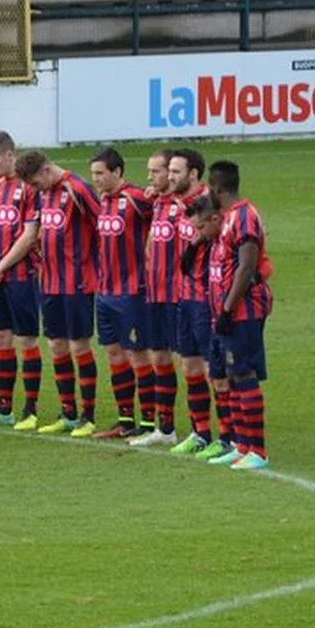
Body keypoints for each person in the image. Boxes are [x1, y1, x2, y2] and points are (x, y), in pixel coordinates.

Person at [191, 161, 274, 470]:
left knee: (243, 375)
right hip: (226, 311)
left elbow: (247, 266)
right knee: (232, 378)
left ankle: (258, 451)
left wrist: (227, 308)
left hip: (243, 311)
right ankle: (242, 446)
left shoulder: (244, 217)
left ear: (216, 188)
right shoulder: (227, 217)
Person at [14, 151, 102, 437]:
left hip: (77, 283)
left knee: (79, 347)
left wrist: (96, 267)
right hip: (49, 282)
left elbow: (103, 227)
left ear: (47, 169)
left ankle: (87, 416)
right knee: (56, 347)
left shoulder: (77, 189)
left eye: (35, 182)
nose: (34, 189)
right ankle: (68, 412)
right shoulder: (43, 193)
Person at [0, 130, 43, 430]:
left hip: (21, 275)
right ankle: (3, 409)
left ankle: (29, 409)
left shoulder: (29, 189)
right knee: (0, 338)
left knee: (26, 339)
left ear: (9, 155)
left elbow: (30, 235)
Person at [164, 149, 230, 458]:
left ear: (193, 174)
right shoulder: (176, 204)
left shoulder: (209, 205)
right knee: (189, 366)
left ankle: (227, 436)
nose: (169, 176)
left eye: (176, 171)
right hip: (183, 298)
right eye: (169, 171)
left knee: (212, 370)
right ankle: (200, 432)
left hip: (205, 301)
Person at [88, 147, 156, 439]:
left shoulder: (138, 198)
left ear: (117, 172)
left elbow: (167, 216)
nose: (96, 180)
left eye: (101, 174)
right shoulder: (103, 200)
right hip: (105, 293)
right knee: (114, 354)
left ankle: (152, 424)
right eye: (93, 174)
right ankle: (125, 420)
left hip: (132, 292)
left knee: (138, 356)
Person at [131, 149, 181, 448]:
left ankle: (210, 434)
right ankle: (166, 428)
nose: (150, 177)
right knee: (159, 358)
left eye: (157, 171)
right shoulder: (158, 203)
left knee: (193, 364)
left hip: (181, 296)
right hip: (154, 294)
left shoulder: (188, 205)